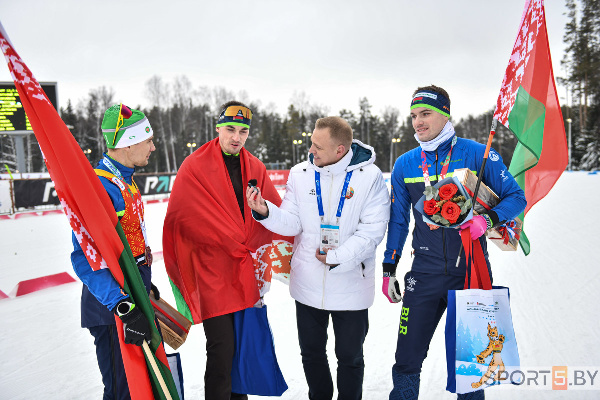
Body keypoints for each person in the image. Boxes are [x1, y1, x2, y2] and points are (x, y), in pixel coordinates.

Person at [382, 85, 527, 400]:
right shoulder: (405, 164)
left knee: (471, 369)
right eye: (414, 116)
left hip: (470, 273)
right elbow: (398, 220)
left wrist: (487, 220)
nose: (418, 122)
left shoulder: (477, 152)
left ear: (445, 114)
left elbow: (517, 197)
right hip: (424, 273)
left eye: (426, 114)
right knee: (406, 360)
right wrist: (388, 267)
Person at [247, 116, 390, 400]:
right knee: (311, 354)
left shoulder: (370, 177)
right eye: (311, 142)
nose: (311, 150)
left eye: (318, 147)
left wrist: (337, 257)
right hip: (308, 284)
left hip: (351, 285)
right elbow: (292, 222)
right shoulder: (300, 174)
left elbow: (372, 232)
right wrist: (266, 212)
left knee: (350, 358)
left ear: (340, 150)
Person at [163, 101, 284, 400]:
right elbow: (180, 220)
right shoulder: (194, 165)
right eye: (230, 129)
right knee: (221, 349)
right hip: (213, 273)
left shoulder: (254, 166)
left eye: (243, 131)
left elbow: (274, 214)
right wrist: (220, 237)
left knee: (241, 351)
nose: (237, 137)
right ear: (217, 127)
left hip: (243, 273)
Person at [70, 104, 158, 400]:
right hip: (113, 309)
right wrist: (122, 306)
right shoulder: (100, 186)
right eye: (148, 140)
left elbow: (126, 244)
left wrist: (144, 280)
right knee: (122, 390)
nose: (153, 147)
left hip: (133, 295)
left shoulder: (124, 177)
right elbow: (85, 257)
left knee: (140, 386)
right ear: (127, 143)